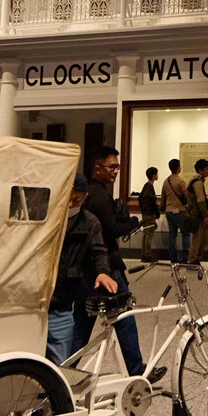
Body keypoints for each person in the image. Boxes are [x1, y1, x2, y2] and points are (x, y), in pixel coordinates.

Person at [77, 144, 144, 374]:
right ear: (98, 168)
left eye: (118, 167)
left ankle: (64, 370)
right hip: (106, 266)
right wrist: (134, 223)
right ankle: (136, 369)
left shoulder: (91, 193)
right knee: (124, 315)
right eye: (112, 167)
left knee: (82, 322)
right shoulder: (99, 195)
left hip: (88, 265)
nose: (116, 171)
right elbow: (113, 229)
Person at [47, 173, 119, 362]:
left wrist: (103, 272)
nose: (71, 205)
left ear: (85, 197)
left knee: (60, 365)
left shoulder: (90, 222)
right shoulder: (46, 218)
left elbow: (99, 251)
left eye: (76, 200)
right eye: (67, 199)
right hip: (34, 304)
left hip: (61, 305)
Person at [161, 157, 192, 263]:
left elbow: (163, 197)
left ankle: (173, 257)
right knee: (185, 233)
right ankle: (185, 256)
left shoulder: (166, 181)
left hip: (169, 211)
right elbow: (187, 195)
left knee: (172, 234)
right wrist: (189, 207)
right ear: (178, 168)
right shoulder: (181, 181)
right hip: (179, 210)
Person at [185, 157, 208, 264]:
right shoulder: (197, 182)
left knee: (206, 238)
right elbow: (200, 200)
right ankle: (192, 260)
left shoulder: (197, 181)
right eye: (206, 168)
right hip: (197, 216)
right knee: (197, 239)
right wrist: (206, 215)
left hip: (197, 214)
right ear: (200, 170)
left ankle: (196, 257)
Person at [137, 165, 162, 257]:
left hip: (145, 213)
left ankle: (144, 253)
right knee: (149, 234)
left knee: (145, 233)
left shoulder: (146, 186)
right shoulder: (150, 187)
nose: (157, 175)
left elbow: (140, 198)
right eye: (156, 174)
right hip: (150, 214)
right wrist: (156, 212)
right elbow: (152, 201)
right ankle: (147, 254)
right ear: (154, 175)